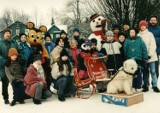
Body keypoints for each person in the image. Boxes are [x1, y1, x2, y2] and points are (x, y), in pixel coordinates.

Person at [0, 29, 25, 104]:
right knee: (5, 83)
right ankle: (6, 98)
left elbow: (20, 51)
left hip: (15, 66)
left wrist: (21, 58)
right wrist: (4, 61)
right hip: (4, 66)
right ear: (3, 35)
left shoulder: (14, 43)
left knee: (17, 82)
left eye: (9, 33)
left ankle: (19, 97)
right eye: (6, 33)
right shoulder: (0, 43)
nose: (8, 34)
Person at [138, 20, 160, 92]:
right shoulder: (138, 35)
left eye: (144, 25)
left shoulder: (150, 34)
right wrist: (143, 56)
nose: (143, 27)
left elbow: (153, 44)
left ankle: (155, 85)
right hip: (143, 57)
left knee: (153, 71)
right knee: (145, 71)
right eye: (141, 26)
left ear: (146, 26)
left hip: (152, 56)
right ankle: (146, 85)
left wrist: (149, 54)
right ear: (140, 27)